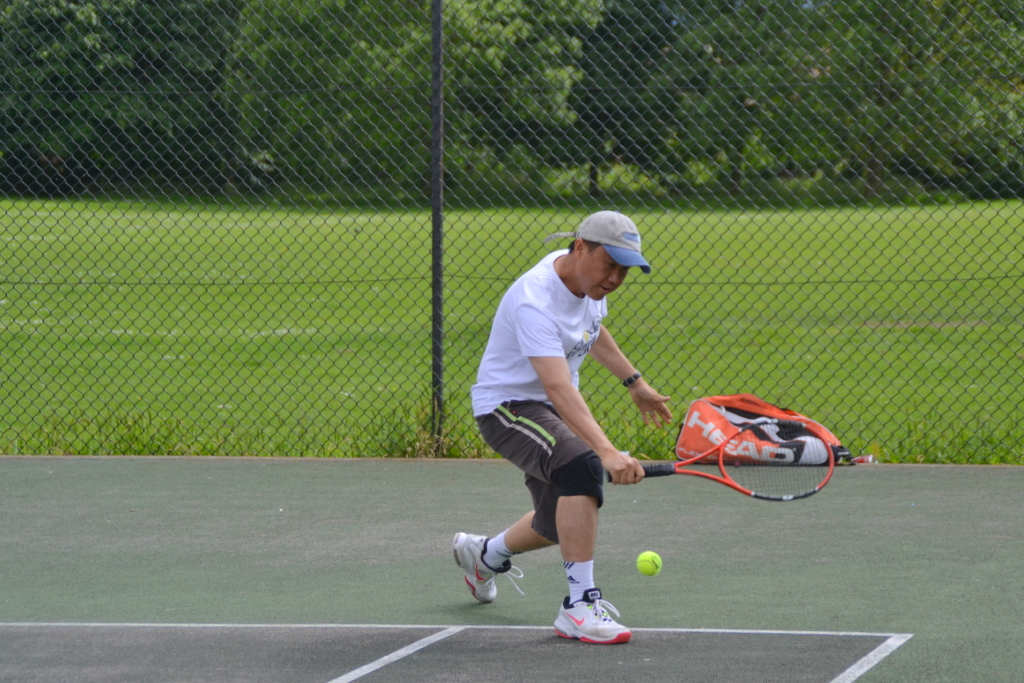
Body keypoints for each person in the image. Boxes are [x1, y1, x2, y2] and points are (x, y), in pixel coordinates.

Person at [453, 211, 672, 645]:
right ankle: (578, 606)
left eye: (625, 270)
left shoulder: (586, 282)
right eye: (610, 265)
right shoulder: (535, 298)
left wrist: (635, 382)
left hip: (547, 409)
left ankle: (484, 554)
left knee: (558, 524)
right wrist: (606, 452)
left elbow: (592, 330)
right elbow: (556, 386)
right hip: (507, 407)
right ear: (581, 248)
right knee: (582, 465)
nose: (615, 278)